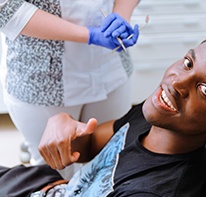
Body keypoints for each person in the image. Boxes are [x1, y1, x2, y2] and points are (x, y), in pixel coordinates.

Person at [0, 28, 206, 197]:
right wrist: (62, 123)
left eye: (205, 90)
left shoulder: (152, 191)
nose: (176, 83)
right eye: (187, 63)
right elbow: (89, 146)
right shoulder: (154, 117)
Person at [0, 0, 140, 179]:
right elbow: (7, 8)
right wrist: (89, 35)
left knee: (110, 162)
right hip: (42, 80)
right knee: (56, 173)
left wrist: (121, 15)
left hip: (110, 68)